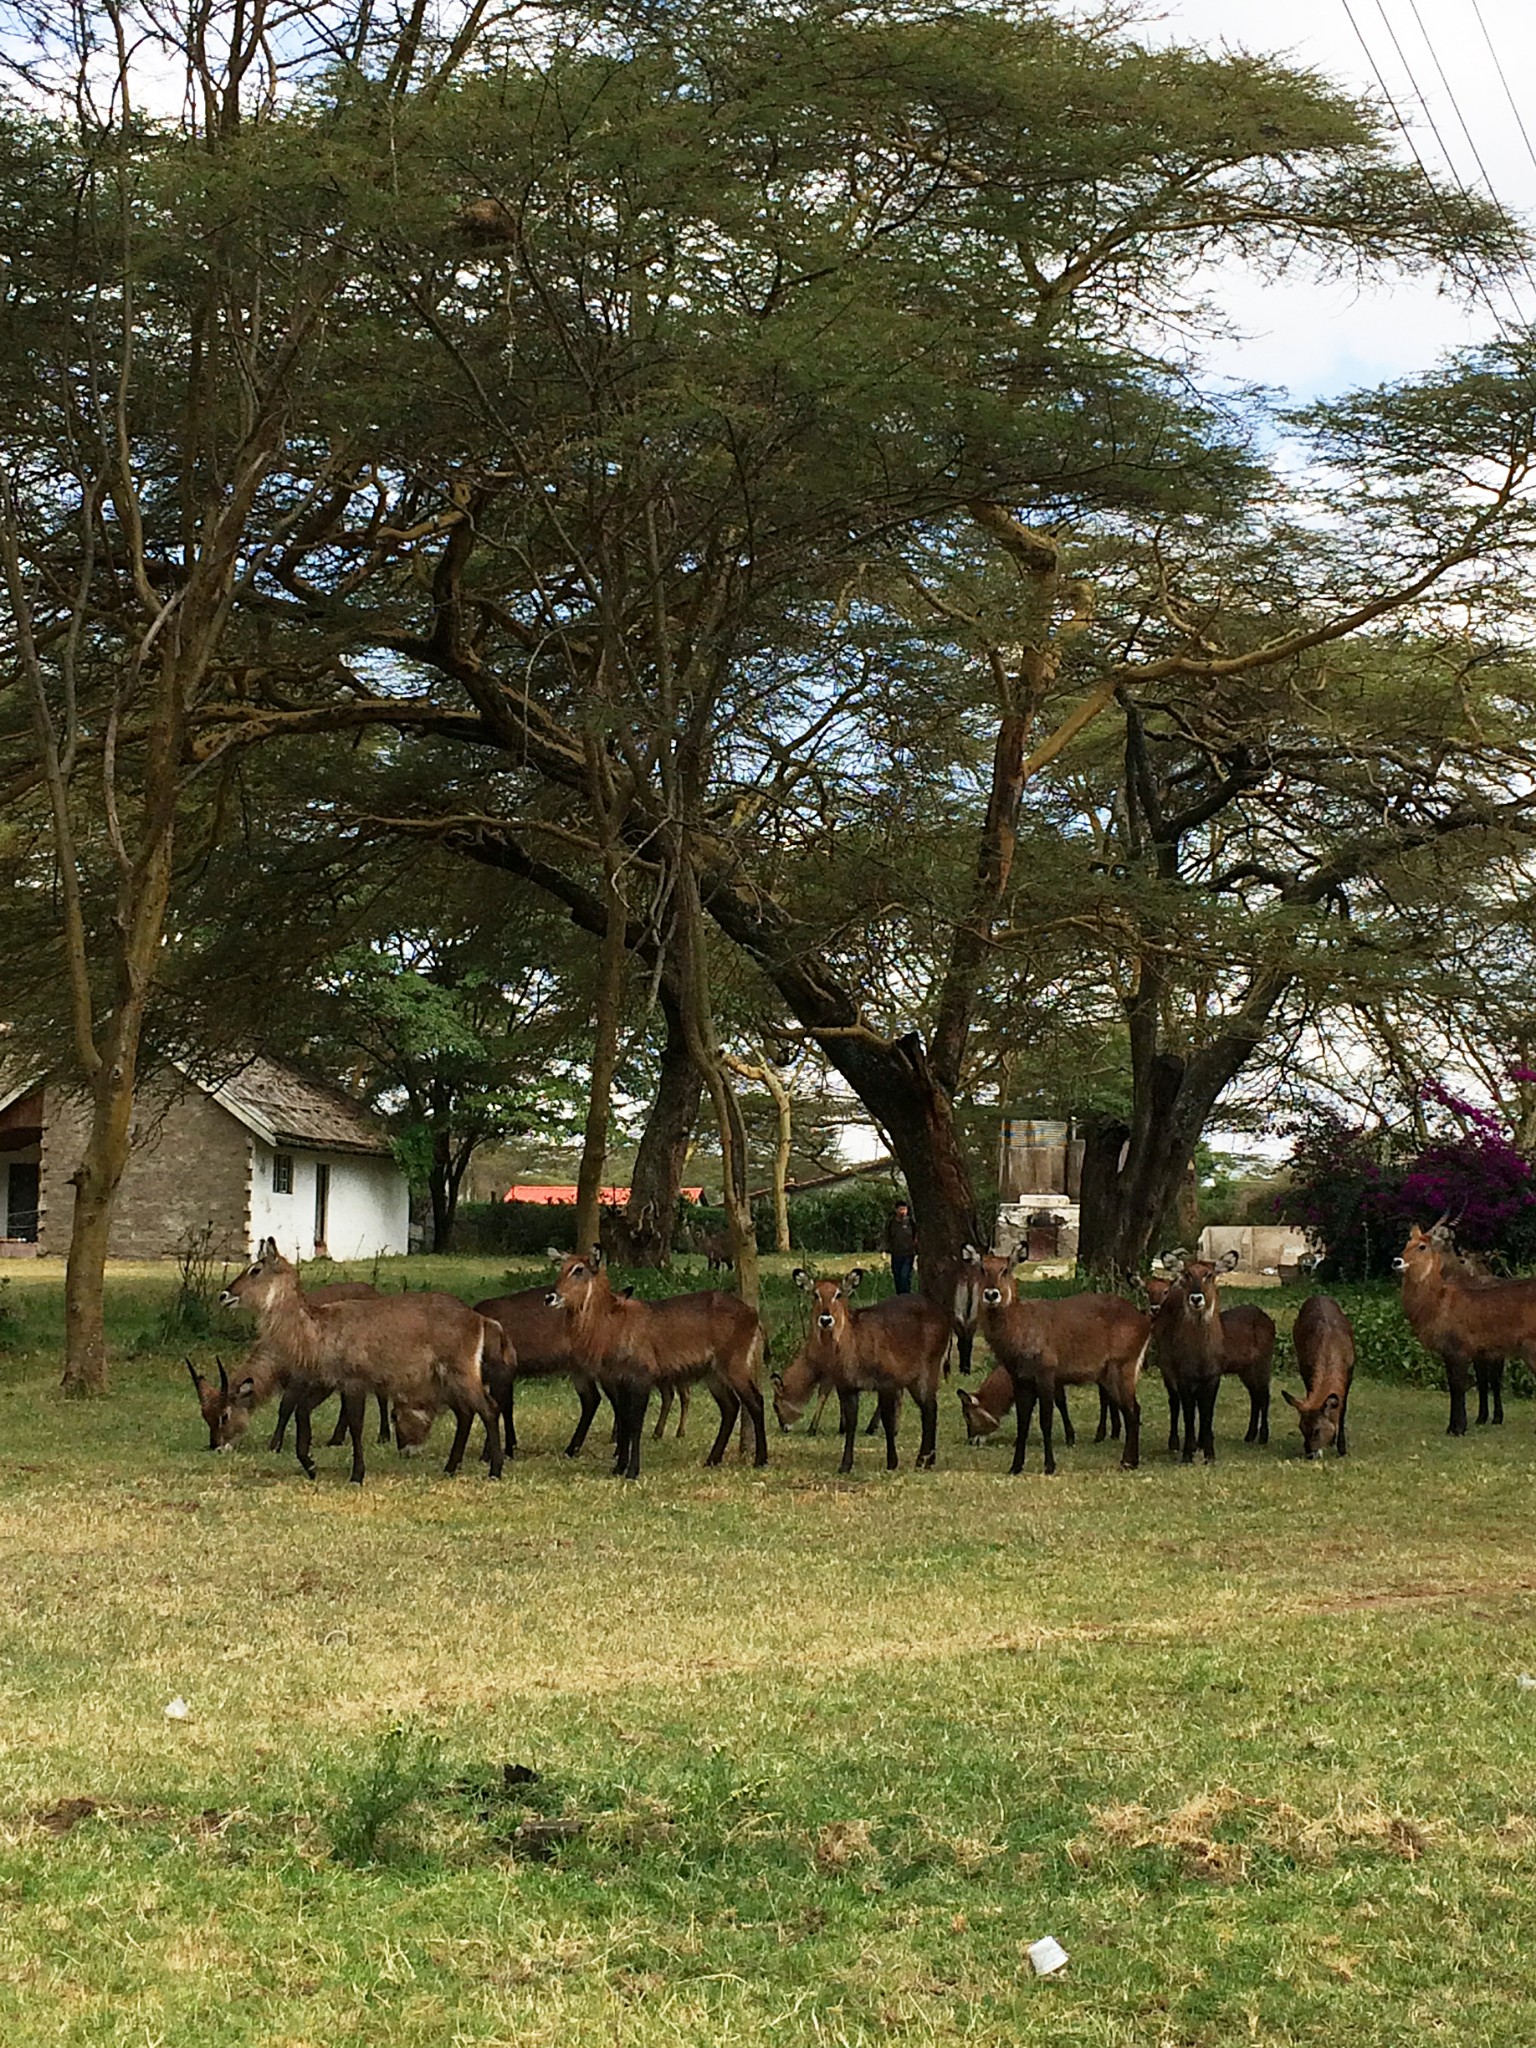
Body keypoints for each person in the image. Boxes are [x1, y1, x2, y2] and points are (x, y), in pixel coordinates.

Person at [886, 1201, 917, 1294]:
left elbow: (916, 1235)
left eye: (904, 1209)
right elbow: (886, 1236)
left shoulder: (910, 1222)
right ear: (896, 1210)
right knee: (897, 1277)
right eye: (900, 1209)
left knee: (905, 1276)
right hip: (896, 1254)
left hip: (908, 1254)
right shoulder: (891, 1223)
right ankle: (899, 1296)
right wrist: (884, 1249)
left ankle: (906, 1295)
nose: (902, 1211)